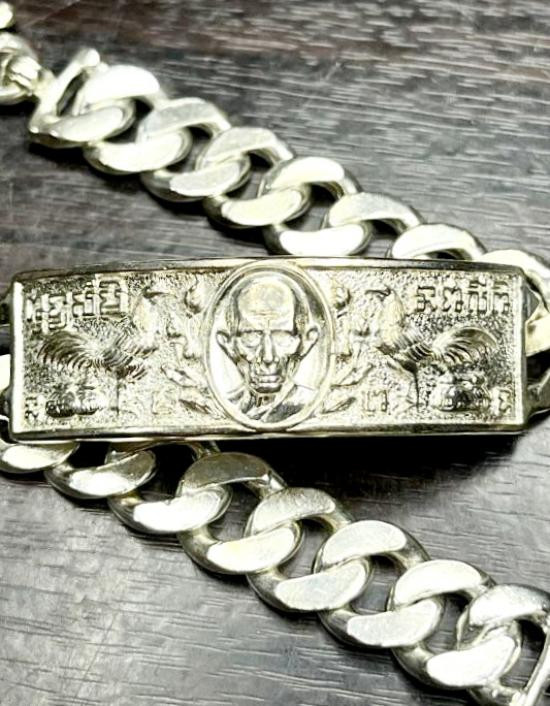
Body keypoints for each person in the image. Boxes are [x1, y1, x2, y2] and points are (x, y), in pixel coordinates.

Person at [216, 273, 320, 423]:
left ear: (306, 342)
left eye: (282, 335)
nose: (268, 357)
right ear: (228, 344)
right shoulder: (221, 407)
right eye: (251, 335)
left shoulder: (316, 405)